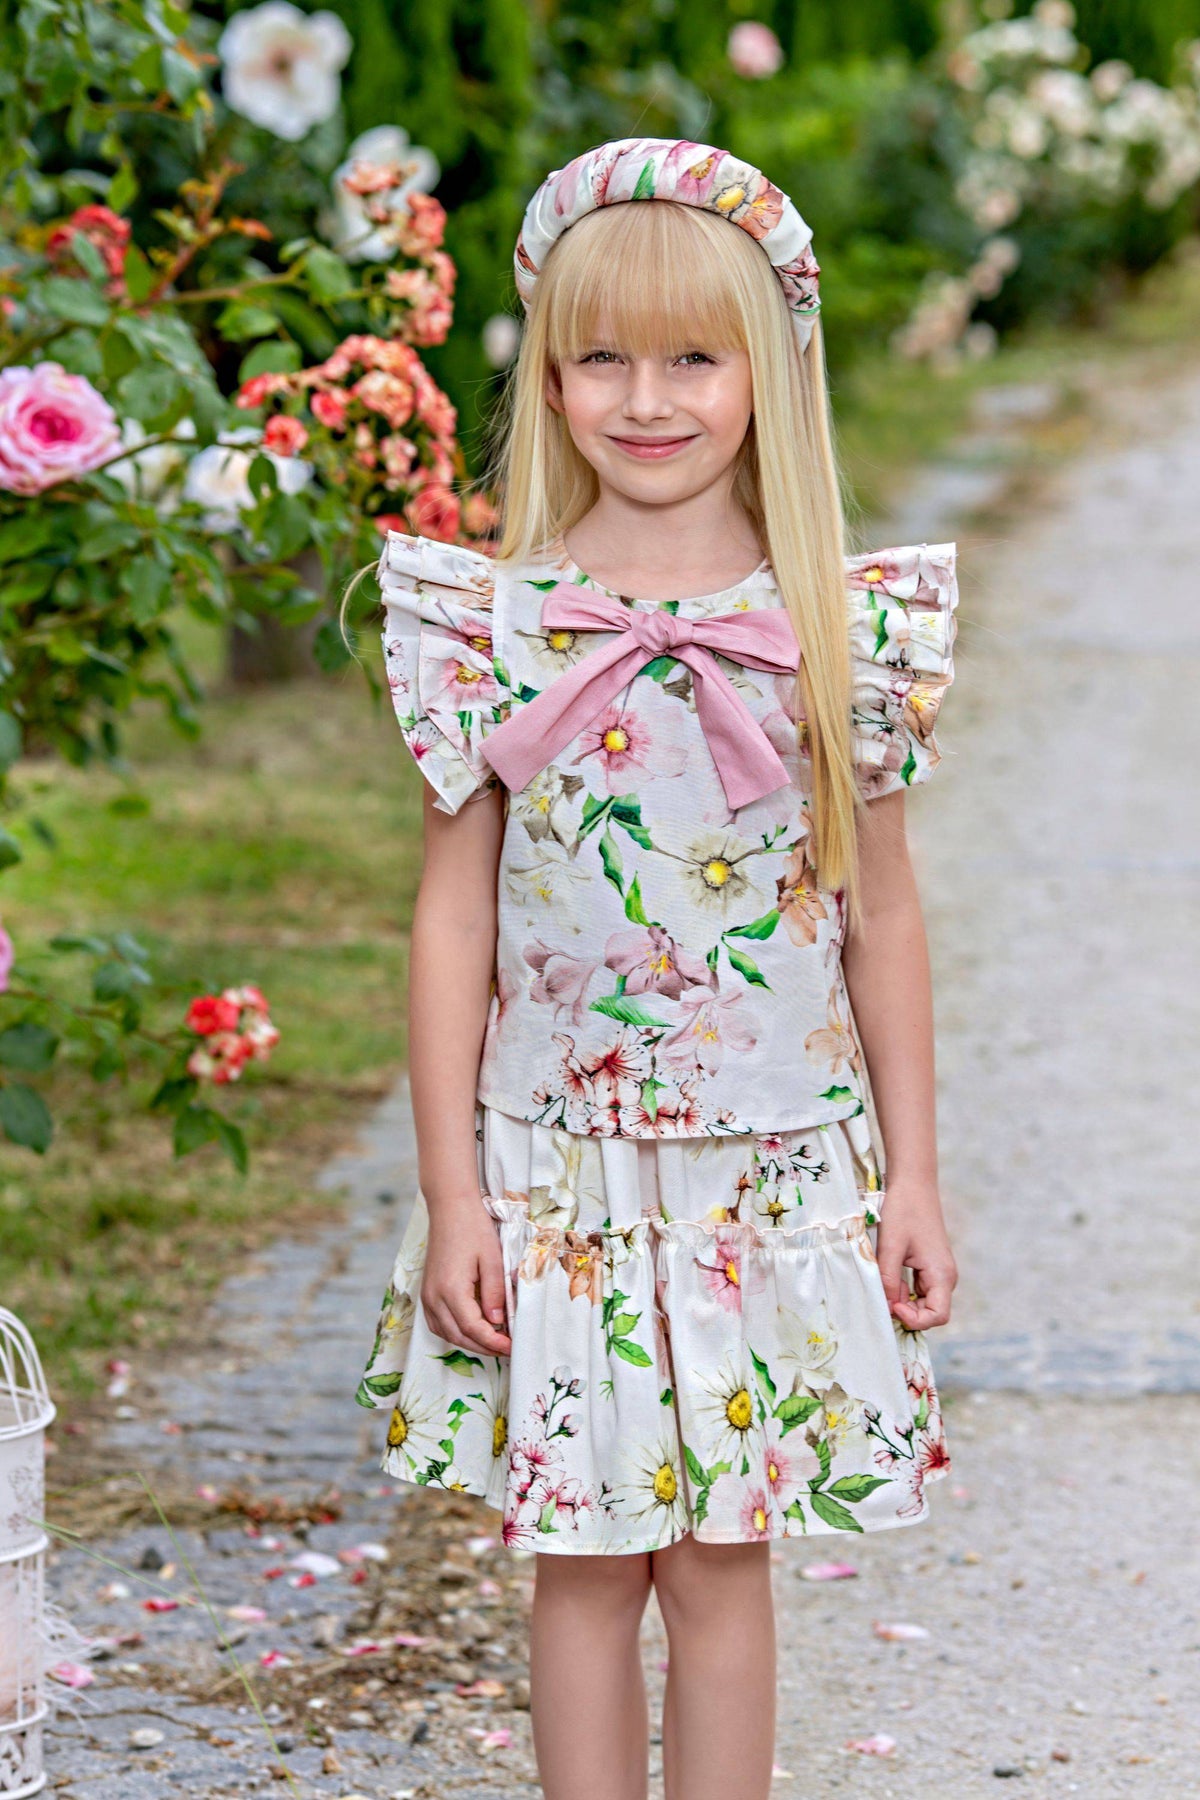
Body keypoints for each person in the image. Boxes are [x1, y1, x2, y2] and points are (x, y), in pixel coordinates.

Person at [345, 136, 960, 1800]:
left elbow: (880, 915)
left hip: (767, 1166)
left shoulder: (835, 630)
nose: (646, 398)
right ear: (548, 378)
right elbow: (452, 919)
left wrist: (912, 1175)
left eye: (695, 358)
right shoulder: (494, 628)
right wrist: (455, 1196)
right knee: (584, 1557)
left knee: (717, 1558)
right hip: (561, 1173)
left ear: (769, 369)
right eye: (602, 356)